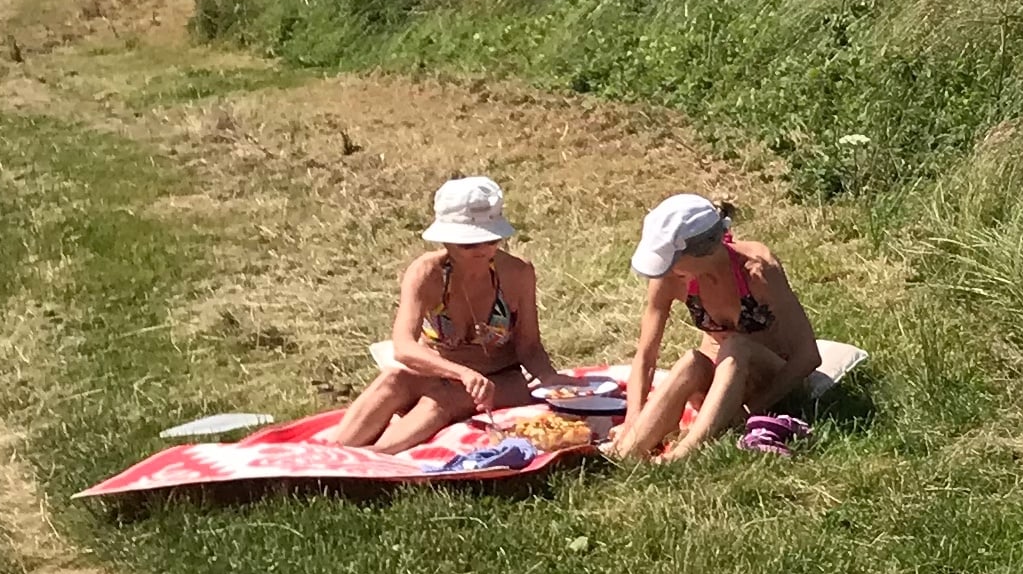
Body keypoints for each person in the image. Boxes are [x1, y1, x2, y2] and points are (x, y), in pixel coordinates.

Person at [336, 177, 558, 452]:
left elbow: (530, 346)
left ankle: (370, 459)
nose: (483, 250)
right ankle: (335, 452)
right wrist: (460, 372)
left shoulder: (517, 273)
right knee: (393, 380)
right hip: (440, 368)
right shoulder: (426, 274)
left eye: (491, 240)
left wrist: (552, 381)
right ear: (447, 240)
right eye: (470, 244)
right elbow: (403, 347)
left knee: (444, 397)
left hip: (501, 377)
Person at [605, 192, 821, 463]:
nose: (666, 272)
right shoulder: (672, 278)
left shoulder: (757, 270)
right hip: (719, 391)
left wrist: (749, 411)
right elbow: (646, 358)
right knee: (692, 361)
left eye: (672, 263)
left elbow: (808, 356)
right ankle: (628, 452)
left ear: (704, 250)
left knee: (736, 346)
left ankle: (681, 457)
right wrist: (632, 422)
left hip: (772, 385)